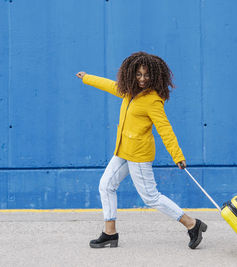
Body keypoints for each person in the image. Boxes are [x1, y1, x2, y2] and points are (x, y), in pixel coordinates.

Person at [76, 51, 207, 249]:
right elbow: (110, 85)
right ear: (131, 74)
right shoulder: (128, 91)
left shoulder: (153, 100)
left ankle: (192, 224)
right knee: (106, 185)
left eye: (146, 75)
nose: (143, 79)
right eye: (139, 75)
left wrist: (177, 155)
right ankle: (110, 233)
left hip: (138, 154)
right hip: (122, 151)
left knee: (150, 197)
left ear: (154, 76)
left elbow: (165, 129)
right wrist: (87, 78)